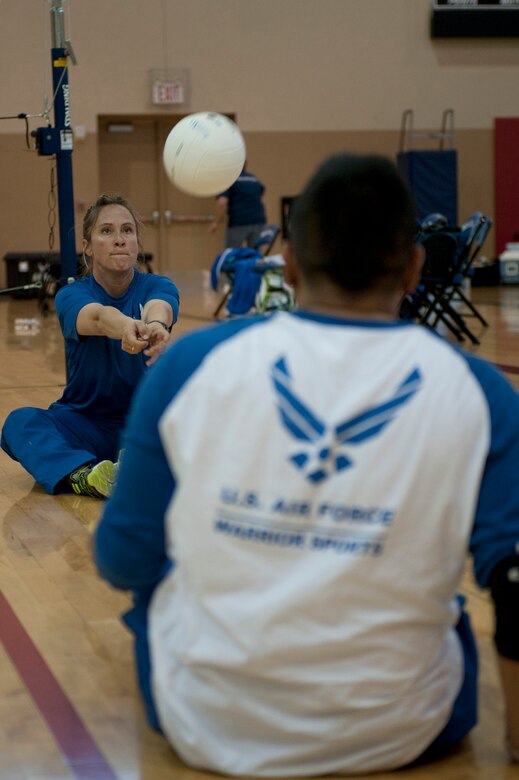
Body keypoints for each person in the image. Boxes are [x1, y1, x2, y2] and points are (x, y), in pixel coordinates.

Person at [94, 154, 519, 776]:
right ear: (414, 268)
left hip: (203, 722)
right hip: (406, 731)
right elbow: (512, 580)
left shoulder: (191, 364)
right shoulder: (480, 389)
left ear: (286, 264)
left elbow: (121, 557)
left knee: (156, 586)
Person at [1, 193, 180, 499]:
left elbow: (159, 308)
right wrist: (126, 326)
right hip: (85, 424)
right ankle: (86, 476)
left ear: (137, 243)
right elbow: (97, 317)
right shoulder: (71, 295)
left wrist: (155, 327)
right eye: (106, 231)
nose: (119, 240)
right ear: (87, 246)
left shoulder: (158, 285)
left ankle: (134, 464)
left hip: (142, 423)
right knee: (19, 423)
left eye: (127, 231)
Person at [209, 163, 267, 248]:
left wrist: (216, 222)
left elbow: (222, 202)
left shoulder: (229, 180)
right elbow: (260, 193)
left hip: (239, 221)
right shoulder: (253, 179)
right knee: (255, 254)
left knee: (232, 254)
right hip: (258, 220)